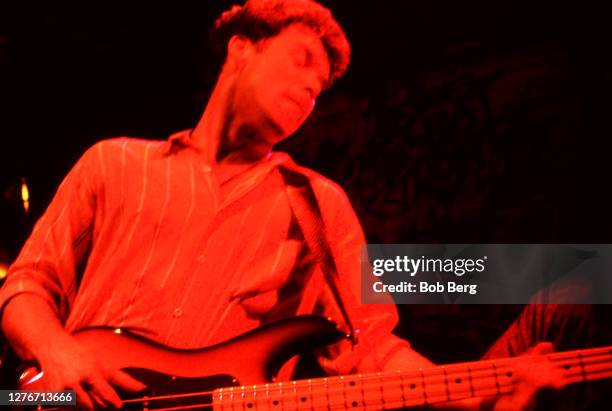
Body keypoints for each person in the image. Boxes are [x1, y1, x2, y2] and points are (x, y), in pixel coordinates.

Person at [0, 1, 571, 410]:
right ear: (241, 50)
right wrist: (58, 353)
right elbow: (25, 284)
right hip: (62, 400)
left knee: (578, 286)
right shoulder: (112, 162)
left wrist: (478, 388)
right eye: (300, 61)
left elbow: (368, 346)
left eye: (320, 88)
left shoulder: (320, 205)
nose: (310, 91)